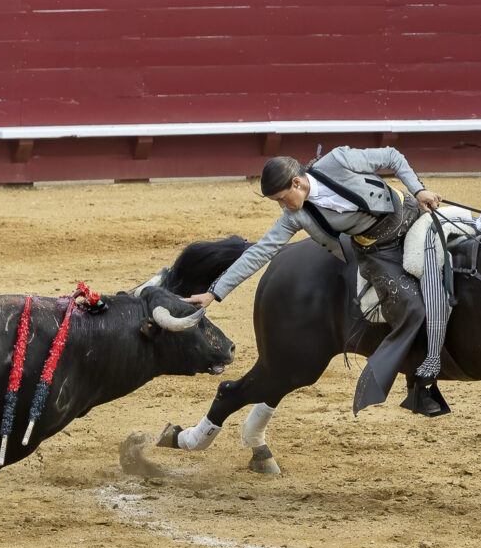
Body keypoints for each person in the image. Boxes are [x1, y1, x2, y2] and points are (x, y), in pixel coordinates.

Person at [184, 145, 451, 422]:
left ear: (297, 183)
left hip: (411, 214)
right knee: (412, 310)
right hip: (377, 252)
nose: (282, 206)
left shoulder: (338, 161)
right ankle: (420, 383)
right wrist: (214, 293)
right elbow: (260, 251)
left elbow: (392, 156)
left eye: (282, 198)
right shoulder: (295, 216)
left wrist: (419, 190)